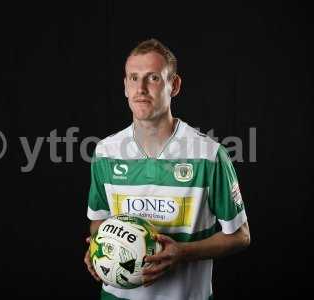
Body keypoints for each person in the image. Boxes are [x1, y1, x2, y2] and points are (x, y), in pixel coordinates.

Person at [84, 38, 250, 300]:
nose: (141, 88)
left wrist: (183, 252)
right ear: (125, 86)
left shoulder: (208, 155)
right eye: (133, 78)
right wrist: (100, 246)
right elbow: (98, 222)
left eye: (153, 78)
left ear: (174, 85)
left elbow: (241, 236)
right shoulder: (106, 151)